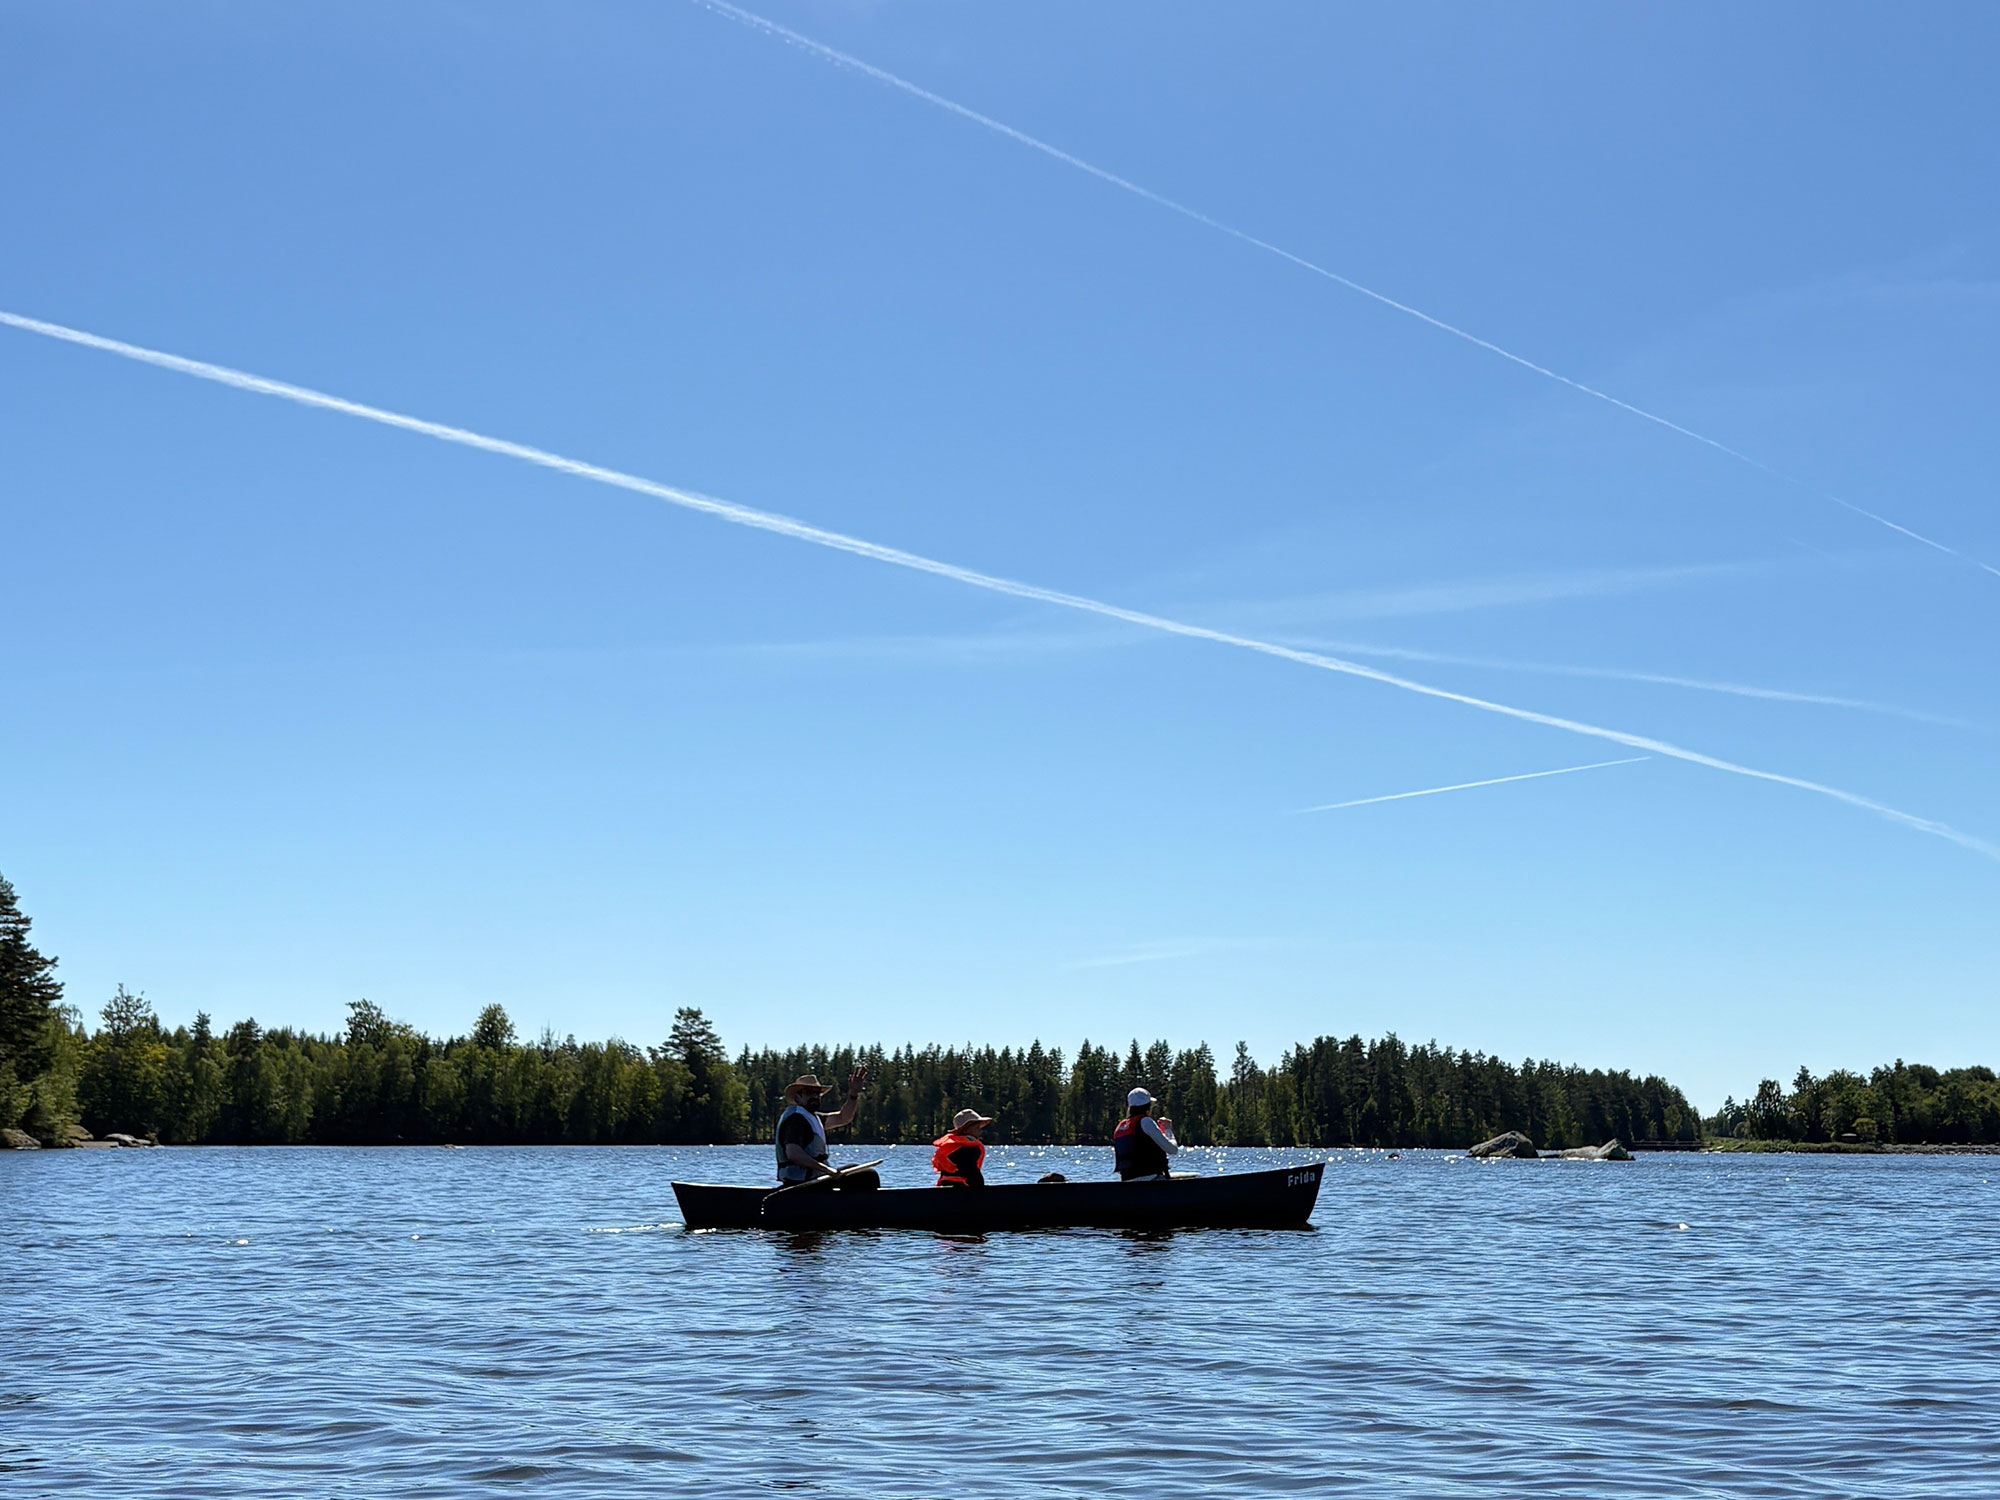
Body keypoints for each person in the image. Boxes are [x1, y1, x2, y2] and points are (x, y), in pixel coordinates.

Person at [774, 1068, 875, 1188]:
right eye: (809, 1093)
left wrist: (853, 1094)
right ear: (797, 1097)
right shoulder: (796, 1120)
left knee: (856, 1170)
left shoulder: (812, 1118)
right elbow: (794, 1154)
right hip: (801, 1183)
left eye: (817, 1093)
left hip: (815, 1178)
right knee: (868, 1176)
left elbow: (843, 1117)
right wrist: (827, 1170)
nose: (815, 1096)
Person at [1112, 1087, 1179, 1180]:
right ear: (1148, 1106)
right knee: (1195, 1176)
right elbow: (1173, 1150)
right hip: (1150, 1178)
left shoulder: (1121, 1126)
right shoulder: (1146, 1121)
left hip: (1127, 1180)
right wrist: (1168, 1130)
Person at [931, 1108, 993, 1187]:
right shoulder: (971, 1148)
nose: (980, 1130)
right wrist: (981, 1190)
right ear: (968, 1128)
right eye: (977, 1127)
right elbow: (972, 1173)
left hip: (944, 1185)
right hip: (964, 1188)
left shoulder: (950, 1146)